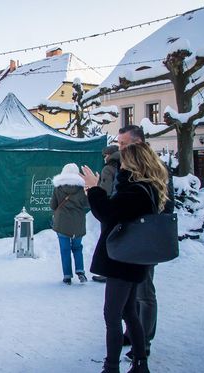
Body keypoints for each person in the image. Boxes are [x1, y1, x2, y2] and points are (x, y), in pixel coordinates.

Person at [81, 142, 170, 373]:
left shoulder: (136, 190)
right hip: (134, 259)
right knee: (129, 312)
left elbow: (107, 213)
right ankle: (140, 363)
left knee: (112, 315)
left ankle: (111, 367)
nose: (121, 164)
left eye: (124, 160)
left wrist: (94, 188)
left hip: (124, 260)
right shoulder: (147, 188)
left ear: (134, 162)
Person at [50, 163, 89, 285]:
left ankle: (67, 276)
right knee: (77, 248)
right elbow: (87, 204)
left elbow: (53, 205)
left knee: (65, 249)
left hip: (62, 223)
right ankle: (80, 271)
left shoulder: (58, 188)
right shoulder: (81, 188)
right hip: (78, 223)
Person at [92, 145, 120, 284]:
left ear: (109, 155)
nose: (104, 157)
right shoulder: (126, 164)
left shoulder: (108, 168)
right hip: (122, 208)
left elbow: (105, 190)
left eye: (105, 155)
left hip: (110, 209)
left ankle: (107, 271)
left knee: (107, 240)